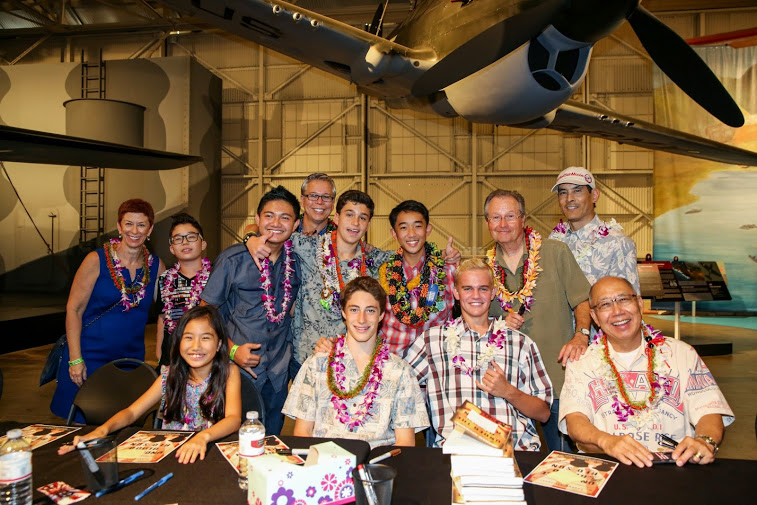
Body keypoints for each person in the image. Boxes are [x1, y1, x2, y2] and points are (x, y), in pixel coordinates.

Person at [559, 276, 734, 467]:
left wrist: (704, 442)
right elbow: (575, 422)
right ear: (594, 317)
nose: (617, 311)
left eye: (624, 299)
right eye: (605, 304)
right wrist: (606, 441)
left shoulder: (682, 354)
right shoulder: (582, 362)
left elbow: (709, 410)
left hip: (673, 466)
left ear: (640, 304)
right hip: (607, 467)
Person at [58, 305, 242, 464]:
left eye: (205, 338)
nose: (196, 346)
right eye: (188, 337)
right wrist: (101, 430)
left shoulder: (229, 373)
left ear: (219, 344)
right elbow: (131, 412)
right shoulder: (169, 375)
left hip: (209, 452)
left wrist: (203, 436)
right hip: (173, 454)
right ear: (178, 342)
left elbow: (233, 419)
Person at [404, 258, 552, 450]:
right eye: (467, 288)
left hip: (515, 453)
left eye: (483, 288)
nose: (476, 295)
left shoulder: (520, 343)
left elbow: (543, 413)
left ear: (493, 293)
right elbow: (399, 387)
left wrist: (508, 391)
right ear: (456, 292)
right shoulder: (431, 342)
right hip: (455, 456)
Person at [483, 189, 590, 452]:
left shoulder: (555, 253)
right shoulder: (484, 268)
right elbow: (477, 316)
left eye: (510, 216)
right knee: (511, 462)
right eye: (495, 218)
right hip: (509, 387)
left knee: (563, 463)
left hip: (557, 380)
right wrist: (498, 321)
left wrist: (581, 334)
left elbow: (582, 299)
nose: (503, 224)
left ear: (523, 218)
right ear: (487, 223)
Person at [245, 190, 392, 376]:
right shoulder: (308, 246)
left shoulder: (375, 260)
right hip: (306, 359)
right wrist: (250, 238)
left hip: (351, 362)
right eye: (349, 215)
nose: (355, 223)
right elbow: (268, 228)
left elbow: (412, 254)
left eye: (362, 218)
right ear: (337, 218)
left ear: (368, 224)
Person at [51, 199, 164, 421]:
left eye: (141, 225)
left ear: (150, 229)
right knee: (81, 428)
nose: (134, 230)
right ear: (119, 226)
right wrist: (75, 358)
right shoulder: (96, 260)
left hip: (130, 362)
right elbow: (74, 309)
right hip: (88, 357)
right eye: (128, 224)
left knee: (122, 425)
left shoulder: (156, 267)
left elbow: (164, 313)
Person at [282, 276, 428, 448]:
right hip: (326, 465)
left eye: (370, 311)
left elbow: (405, 443)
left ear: (381, 315)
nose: (361, 319)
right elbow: (302, 434)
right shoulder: (316, 365)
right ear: (343, 312)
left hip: (376, 466)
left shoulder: (399, 371)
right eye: (354, 310)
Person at [201, 186, 301, 435]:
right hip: (239, 371)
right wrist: (232, 350)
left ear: (296, 224)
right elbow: (204, 314)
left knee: (272, 440)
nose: (276, 223)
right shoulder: (233, 260)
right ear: (257, 220)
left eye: (285, 217)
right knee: (236, 442)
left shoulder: (298, 262)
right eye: (269, 215)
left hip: (278, 371)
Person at [379, 200, 457, 356]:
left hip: (434, 365)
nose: (411, 233)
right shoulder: (383, 275)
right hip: (392, 366)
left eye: (418, 226)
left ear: (428, 229)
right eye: (403, 228)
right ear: (394, 234)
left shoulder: (448, 272)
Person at [548, 167, 640, 293]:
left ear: (595, 196)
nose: (569, 198)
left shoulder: (617, 244)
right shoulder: (553, 241)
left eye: (577, 191)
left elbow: (626, 303)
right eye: (563, 192)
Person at [156, 213, 211, 369]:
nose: (185, 242)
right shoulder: (165, 279)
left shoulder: (216, 276)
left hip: (204, 356)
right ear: (172, 248)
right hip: (172, 359)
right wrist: (160, 355)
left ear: (203, 244)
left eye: (191, 237)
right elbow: (162, 318)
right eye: (178, 239)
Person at [243, 172, 337, 237]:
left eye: (326, 197)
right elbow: (255, 227)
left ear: (333, 203)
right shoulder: (286, 226)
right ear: (302, 200)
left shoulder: (340, 234)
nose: (319, 202)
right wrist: (250, 238)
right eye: (313, 195)